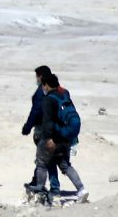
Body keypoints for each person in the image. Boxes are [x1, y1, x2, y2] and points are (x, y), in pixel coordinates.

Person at [31, 71, 87, 201]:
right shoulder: (65, 94)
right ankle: (81, 189)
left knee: (47, 162)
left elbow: (48, 121)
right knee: (65, 165)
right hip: (67, 137)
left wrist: (49, 139)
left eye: (42, 85)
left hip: (55, 137)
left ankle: (53, 192)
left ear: (46, 85)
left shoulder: (48, 99)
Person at [22, 65, 61, 193]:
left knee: (44, 159)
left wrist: (27, 127)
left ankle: (47, 187)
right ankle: (37, 181)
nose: (36, 79)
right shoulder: (57, 90)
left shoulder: (41, 92)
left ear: (40, 77)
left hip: (43, 129)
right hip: (56, 127)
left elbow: (36, 111)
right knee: (47, 157)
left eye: (37, 76)